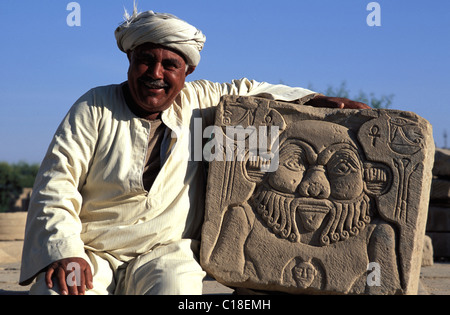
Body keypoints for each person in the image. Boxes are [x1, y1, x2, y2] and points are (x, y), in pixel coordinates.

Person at [20, 8, 369, 295]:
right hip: (93, 252)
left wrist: (317, 100)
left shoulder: (199, 106)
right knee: (56, 292)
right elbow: (57, 184)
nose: (155, 74)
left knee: (178, 292)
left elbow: (256, 90)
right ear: (130, 59)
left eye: (169, 65)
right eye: (145, 61)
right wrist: (65, 253)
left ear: (187, 70)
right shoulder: (95, 106)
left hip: (166, 253)